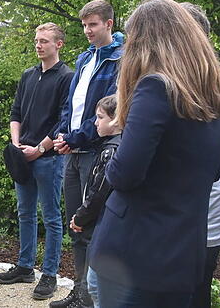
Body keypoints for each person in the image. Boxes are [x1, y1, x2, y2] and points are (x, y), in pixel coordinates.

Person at [87, 0, 220, 307]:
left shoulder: (155, 88)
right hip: (184, 251)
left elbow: (124, 174)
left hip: (134, 252)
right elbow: (213, 172)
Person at [51, 0, 124, 308]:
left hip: (96, 151)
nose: (87, 30)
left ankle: (93, 297)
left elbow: (110, 111)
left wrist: (75, 137)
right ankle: (79, 293)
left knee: (92, 226)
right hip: (73, 151)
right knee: (76, 225)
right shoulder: (84, 58)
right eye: (84, 25)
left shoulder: (120, 58)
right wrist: (63, 134)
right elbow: (71, 104)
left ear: (109, 23)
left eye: (92, 24)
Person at [0, 23, 73, 301]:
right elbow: (15, 112)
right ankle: (25, 267)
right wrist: (17, 145)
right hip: (23, 157)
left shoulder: (67, 77)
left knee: (51, 218)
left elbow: (64, 120)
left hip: (48, 159)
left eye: (44, 41)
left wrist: (39, 149)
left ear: (59, 44)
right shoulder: (28, 75)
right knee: (24, 213)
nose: (38, 45)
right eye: (37, 40)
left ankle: (49, 274)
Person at [180, 2, 220, 308]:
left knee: (194, 292)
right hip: (189, 218)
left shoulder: (211, 92)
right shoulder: (216, 90)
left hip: (202, 216)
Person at [70, 94, 121, 308]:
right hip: (100, 224)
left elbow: (99, 192)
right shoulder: (107, 145)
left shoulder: (111, 150)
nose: (95, 123)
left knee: (96, 285)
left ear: (116, 120)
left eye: (100, 117)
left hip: (102, 225)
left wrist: (81, 217)